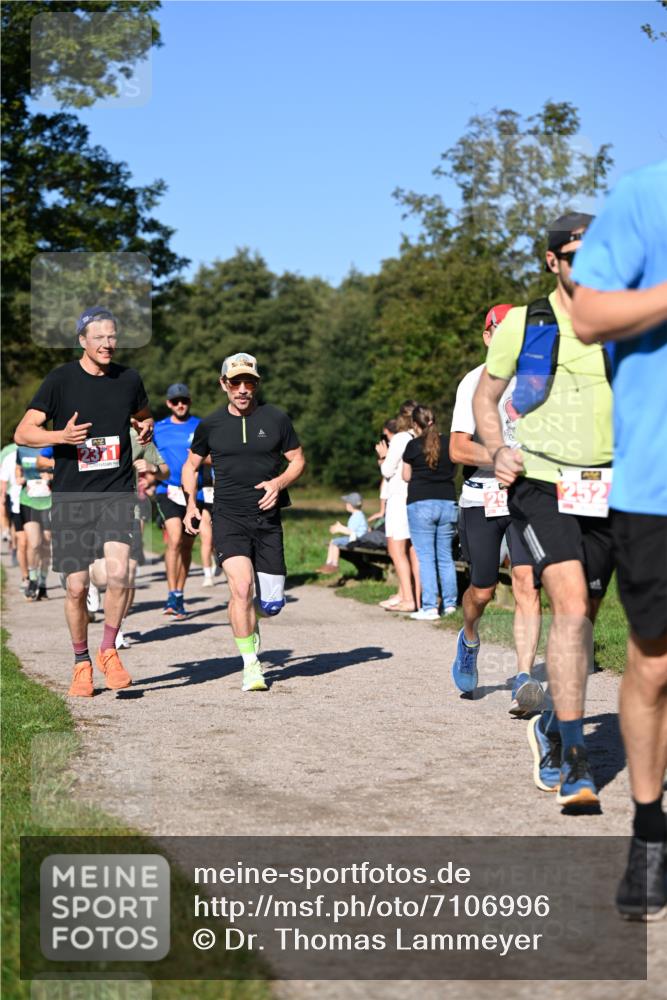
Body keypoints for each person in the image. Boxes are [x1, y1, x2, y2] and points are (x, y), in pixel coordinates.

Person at [473, 214, 615, 808]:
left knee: (587, 618)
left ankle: (552, 724)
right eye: (577, 255)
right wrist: (497, 447)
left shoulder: (626, 322)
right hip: (540, 479)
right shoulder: (526, 323)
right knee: (572, 603)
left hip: (608, 485)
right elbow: (487, 396)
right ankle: (576, 758)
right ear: (554, 261)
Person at [570, 160, 667, 920]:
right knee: (655, 664)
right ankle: (648, 831)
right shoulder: (645, 192)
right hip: (656, 484)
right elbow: (589, 316)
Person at [14, 305, 153, 697]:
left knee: (121, 573)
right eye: (99, 338)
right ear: (82, 341)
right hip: (73, 496)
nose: (107, 344)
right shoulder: (60, 380)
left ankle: (109, 649)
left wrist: (145, 425)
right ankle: (81, 661)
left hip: (117, 491)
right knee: (75, 588)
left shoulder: (129, 379)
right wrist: (62, 438)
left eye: (112, 337)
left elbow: (144, 416)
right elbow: (23, 433)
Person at [181, 352, 305, 692]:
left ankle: (253, 621)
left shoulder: (276, 419)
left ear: (256, 384)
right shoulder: (210, 425)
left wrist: (279, 483)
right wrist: (191, 503)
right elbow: (191, 467)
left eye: (249, 381)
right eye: (235, 382)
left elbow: (297, 460)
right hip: (228, 517)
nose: (243, 389)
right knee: (240, 588)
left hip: (267, 519)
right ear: (224, 385)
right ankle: (251, 665)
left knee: (271, 605)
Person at [450, 304, 544, 716]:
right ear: (487, 337)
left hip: (527, 497)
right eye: (500, 332)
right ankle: (469, 637)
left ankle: (523, 678)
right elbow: (457, 448)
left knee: (527, 583)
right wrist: (501, 453)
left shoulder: (541, 381)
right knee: (483, 590)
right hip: (481, 494)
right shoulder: (474, 382)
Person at [86, 427, 169, 646]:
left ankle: (117, 629)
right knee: (104, 577)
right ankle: (91, 582)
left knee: (128, 574)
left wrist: (152, 467)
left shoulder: (137, 435)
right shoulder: (88, 431)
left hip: (130, 509)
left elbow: (165, 470)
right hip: (96, 511)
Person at [402, 406, 458, 620]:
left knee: (426, 558)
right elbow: (453, 471)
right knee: (445, 556)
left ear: (415, 425)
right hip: (447, 501)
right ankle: (451, 605)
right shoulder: (448, 443)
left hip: (420, 503)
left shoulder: (412, 445)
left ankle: (430, 607)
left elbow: (406, 476)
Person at [154, 383, 204, 618]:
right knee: (174, 539)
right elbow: (146, 453)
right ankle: (171, 594)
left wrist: (200, 460)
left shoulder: (201, 426)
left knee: (186, 545)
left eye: (184, 400)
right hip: (168, 491)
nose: (180, 404)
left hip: (195, 493)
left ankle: (180, 595)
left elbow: (216, 456)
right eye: (175, 401)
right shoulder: (159, 428)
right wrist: (148, 473)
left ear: (189, 401)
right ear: (168, 404)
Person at [376, 400, 421, 613]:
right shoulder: (422, 436)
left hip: (398, 497)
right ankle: (413, 596)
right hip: (415, 495)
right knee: (413, 550)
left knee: (396, 549)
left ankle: (408, 598)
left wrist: (383, 456)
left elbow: (387, 470)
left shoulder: (402, 438)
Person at [16, 445, 53, 600]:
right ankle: (32, 579)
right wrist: (19, 478)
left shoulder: (52, 447)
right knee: (34, 543)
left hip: (49, 501)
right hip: (28, 500)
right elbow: (18, 470)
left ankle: (43, 583)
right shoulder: (22, 449)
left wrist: (52, 477)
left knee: (46, 544)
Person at [317, 492, 368, 574]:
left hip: (356, 539)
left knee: (335, 542)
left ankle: (334, 564)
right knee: (333, 542)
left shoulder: (356, 516)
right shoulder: (358, 515)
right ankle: (329, 564)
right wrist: (340, 527)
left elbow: (350, 531)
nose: (346, 505)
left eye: (347, 503)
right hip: (356, 538)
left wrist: (339, 529)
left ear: (350, 505)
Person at [0, 442, 28, 582]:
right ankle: (26, 576)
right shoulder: (12, 455)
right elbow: (4, 478)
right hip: (17, 497)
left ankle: (14, 547)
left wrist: (2, 494)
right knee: (21, 535)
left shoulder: (7, 452)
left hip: (23, 497)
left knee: (16, 528)